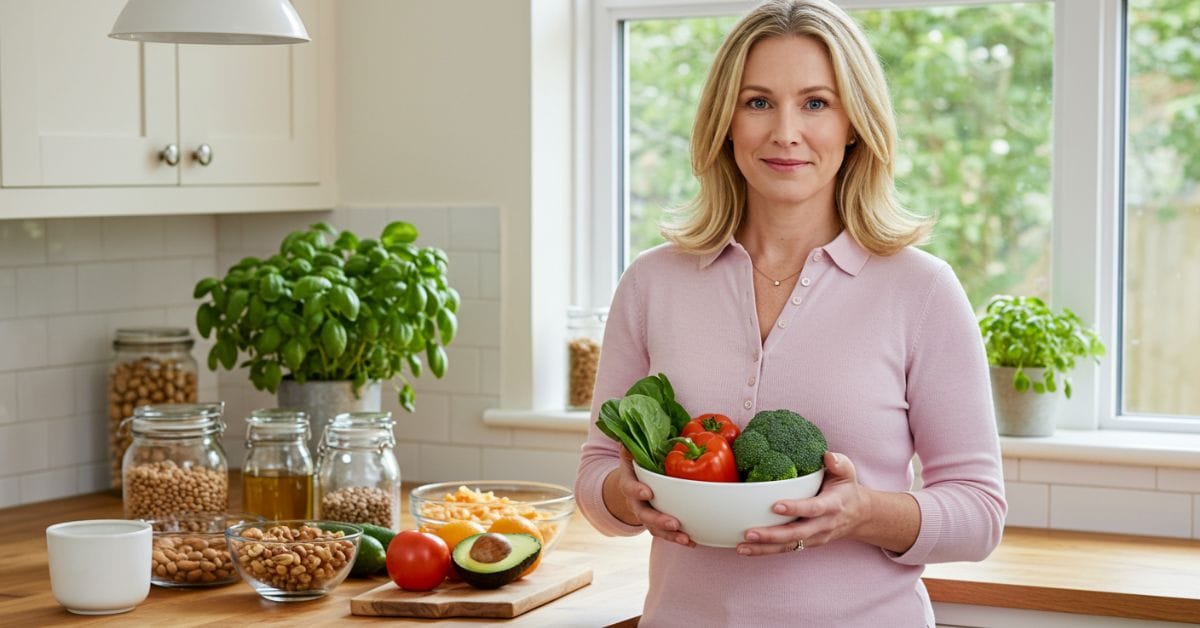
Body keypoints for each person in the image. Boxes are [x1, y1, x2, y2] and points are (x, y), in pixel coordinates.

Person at [574, 0, 1007, 625]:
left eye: (815, 102)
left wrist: (861, 513)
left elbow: (979, 514)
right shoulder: (652, 282)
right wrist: (627, 496)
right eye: (757, 102)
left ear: (854, 122)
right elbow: (595, 475)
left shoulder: (922, 290)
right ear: (725, 122)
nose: (785, 131)